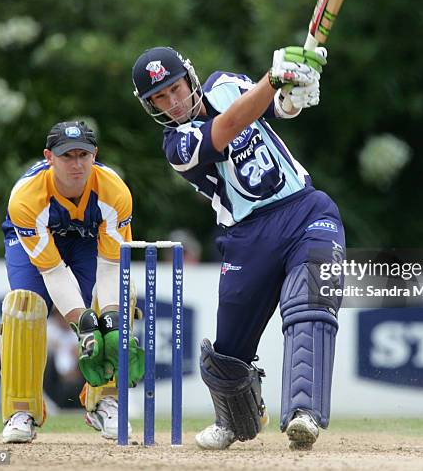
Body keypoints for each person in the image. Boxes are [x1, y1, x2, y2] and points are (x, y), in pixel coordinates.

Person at [131, 45, 345, 450]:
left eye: (175, 88)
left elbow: (275, 109)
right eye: (159, 98)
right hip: (247, 236)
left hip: (305, 209)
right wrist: (274, 78)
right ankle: (233, 420)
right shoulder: (177, 144)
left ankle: (304, 414)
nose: (172, 102)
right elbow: (228, 127)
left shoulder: (227, 84)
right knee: (228, 354)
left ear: (189, 78)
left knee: (311, 304)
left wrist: (291, 94)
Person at [0, 121, 144, 443]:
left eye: (84, 155)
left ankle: (106, 401)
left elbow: (110, 267)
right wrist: (84, 325)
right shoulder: (26, 198)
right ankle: (21, 411)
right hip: (35, 236)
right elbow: (53, 272)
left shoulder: (114, 192)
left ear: (95, 155)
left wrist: (109, 321)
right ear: (49, 157)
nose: (77, 164)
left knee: (118, 304)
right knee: (24, 304)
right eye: (68, 156)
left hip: (85, 237)